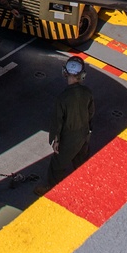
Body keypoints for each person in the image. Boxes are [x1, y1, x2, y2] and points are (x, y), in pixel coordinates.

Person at [47, 57, 95, 187]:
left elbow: (57, 121)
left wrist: (56, 140)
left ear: (65, 72)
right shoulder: (87, 92)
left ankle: (52, 192)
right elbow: (91, 113)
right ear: (82, 75)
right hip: (84, 133)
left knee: (56, 166)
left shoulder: (63, 98)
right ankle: (84, 185)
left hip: (69, 137)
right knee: (81, 161)